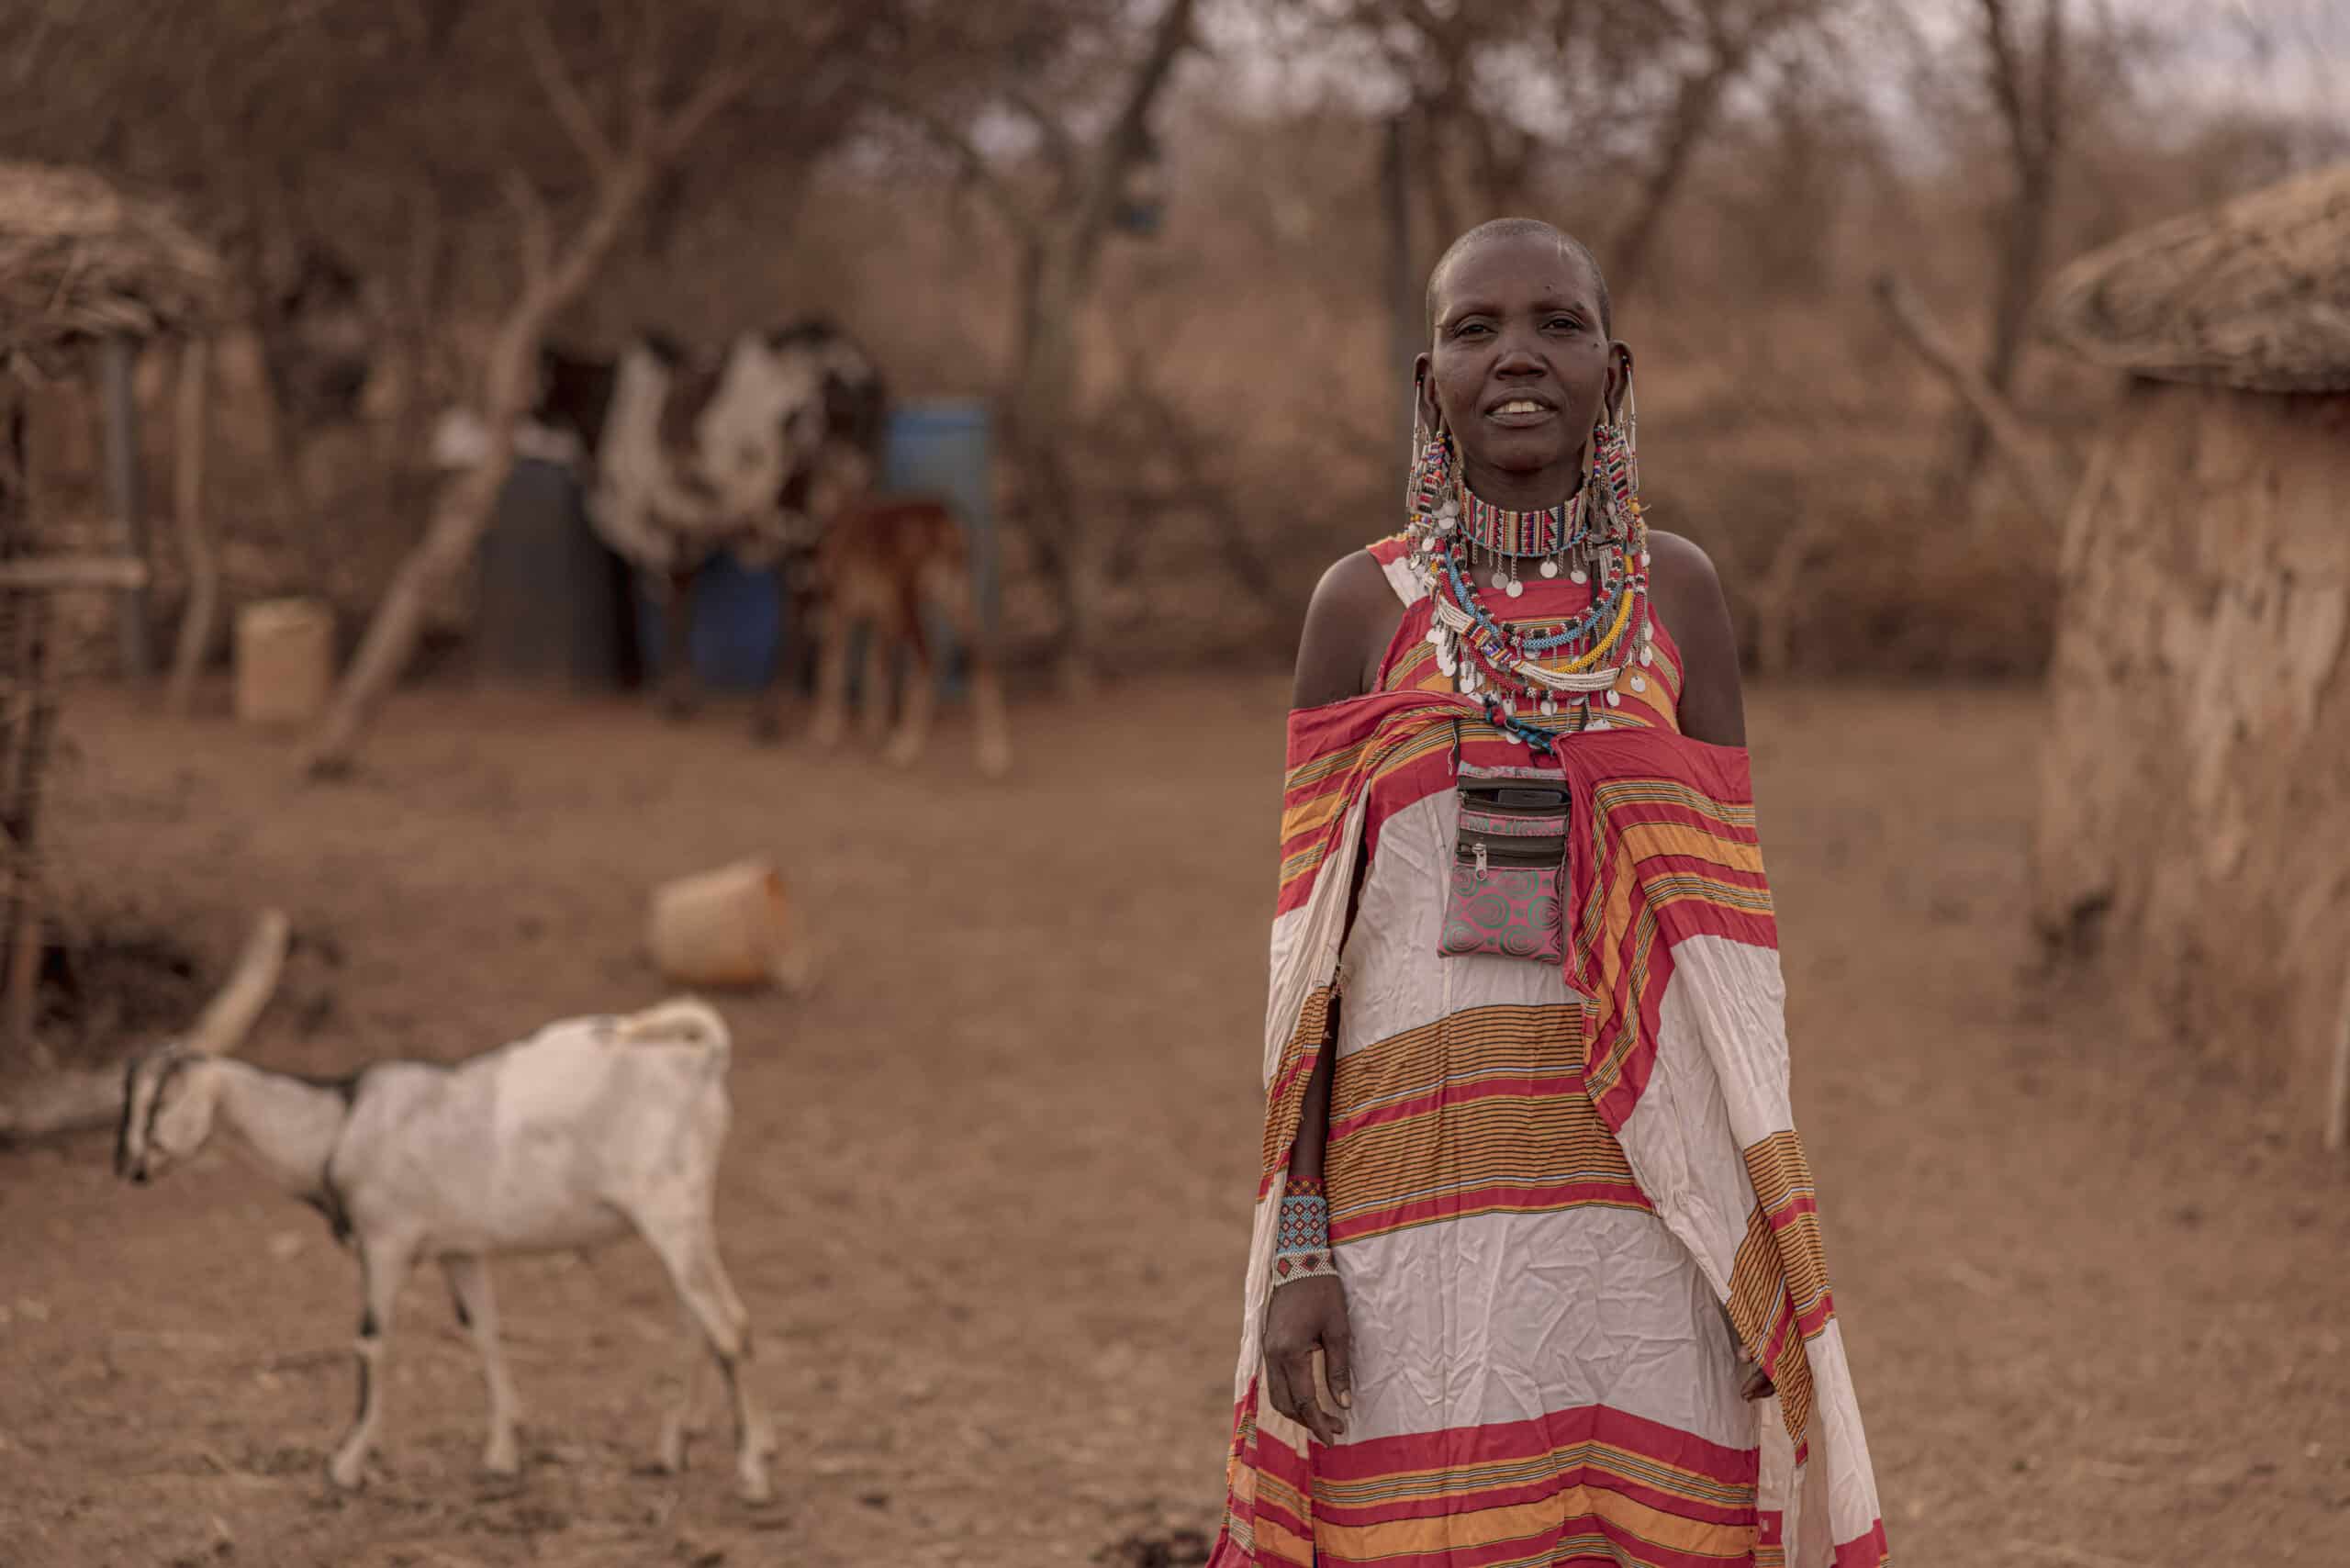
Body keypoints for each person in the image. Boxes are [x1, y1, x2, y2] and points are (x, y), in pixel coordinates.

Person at [1207, 219, 1888, 1568]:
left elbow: (1732, 959)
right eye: (1476, 329)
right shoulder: (1363, 608)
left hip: (1653, 1218)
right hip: (1414, 1224)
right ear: (1429, 380)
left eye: (1556, 325)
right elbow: (1307, 973)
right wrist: (1298, 1249)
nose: (1517, 356)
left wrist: (1757, 1245)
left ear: (1613, 369)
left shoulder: (1677, 600)